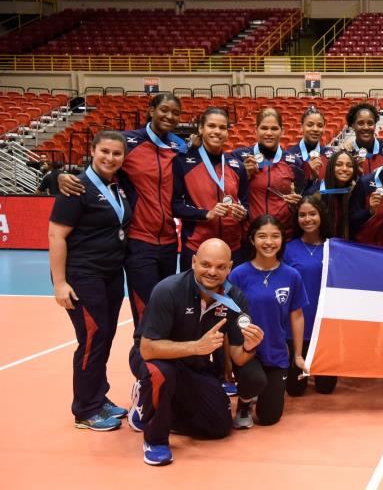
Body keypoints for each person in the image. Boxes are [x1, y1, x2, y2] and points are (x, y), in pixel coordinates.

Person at [58, 93, 187, 357]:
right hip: (139, 242)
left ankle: (163, 375)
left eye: (175, 112)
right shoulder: (128, 142)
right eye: (164, 110)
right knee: (146, 315)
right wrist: (62, 175)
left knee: (167, 310)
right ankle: (144, 380)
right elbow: (103, 164)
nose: (169, 116)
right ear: (151, 109)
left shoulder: (179, 146)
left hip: (169, 243)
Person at [129, 239, 266, 466]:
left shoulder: (235, 298)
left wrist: (251, 346)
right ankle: (155, 438)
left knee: (219, 426)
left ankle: (157, 408)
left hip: (193, 363)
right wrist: (196, 347)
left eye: (221, 267)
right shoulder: (168, 290)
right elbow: (147, 348)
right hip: (155, 359)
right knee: (163, 375)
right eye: (206, 264)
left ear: (229, 267)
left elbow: (239, 356)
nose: (212, 272)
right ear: (193, 262)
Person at [49, 131, 132, 431]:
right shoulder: (76, 188)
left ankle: (99, 395)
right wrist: (60, 283)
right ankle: (85, 409)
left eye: (117, 153)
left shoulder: (117, 186)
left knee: (105, 337)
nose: (110, 158)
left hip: (110, 275)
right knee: (92, 340)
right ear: (93, 151)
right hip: (83, 276)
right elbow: (56, 236)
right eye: (105, 152)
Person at [229, 215, 309, 428]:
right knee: (254, 380)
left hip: (276, 351)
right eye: (262, 236)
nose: (269, 242)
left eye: (275, 236)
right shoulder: (238, 274)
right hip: (247, 351)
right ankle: (245, 402)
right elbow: (227, 316)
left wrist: (298, 355)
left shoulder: (292, 275)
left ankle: (259, 393)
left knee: (269, 417)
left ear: (282, 240)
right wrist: (226, 361)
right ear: (252, 239)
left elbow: (297, 315)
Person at [172, 107, 249, 272]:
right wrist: (206, 214)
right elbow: (175, 205)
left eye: (222, 127)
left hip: (232, 249)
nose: (217, 131)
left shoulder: (236, 166)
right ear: (201, 128)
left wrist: (243, 213)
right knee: (194, 297)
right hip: (197, 247)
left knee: (230, 297)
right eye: (211, 126)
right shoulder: (183, 162)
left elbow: (246, 203)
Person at [284, 196, 338, 396]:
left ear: (321, 216)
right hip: (297, 325)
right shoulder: (287, 249)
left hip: (325, 325)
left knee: (326, 389)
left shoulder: (335, 248)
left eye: (312, 214)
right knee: (295, 390)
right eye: (302, 215)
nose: (307, 219)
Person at [232, 108, 304, 239]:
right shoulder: (238, 157)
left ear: (282, 131)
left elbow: (301, 201)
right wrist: (245, 175)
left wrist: (295, 205)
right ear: (256, 130)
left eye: (274, 128)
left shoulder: (294, 162)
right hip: (250, 236)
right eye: (264, 128)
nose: (269, 133)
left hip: (283, 236)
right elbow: (228, 193)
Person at [309, 149, 361, 239]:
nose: (344, 169)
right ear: (330, 167)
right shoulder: (317, 193)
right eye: (339, 164)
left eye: (349, 166)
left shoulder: (354, 191)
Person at [342, 102, 383, 175]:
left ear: (375, 125)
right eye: (361, 123)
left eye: (370, 123)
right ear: (353, 126)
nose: (366, 127)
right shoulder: (346, 153)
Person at [290, 105, 330, 182]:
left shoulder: (330, 155)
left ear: (324, 128)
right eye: (310, 125)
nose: (315, 129)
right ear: (301, 127)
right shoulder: (290, 156)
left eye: (320, 125)